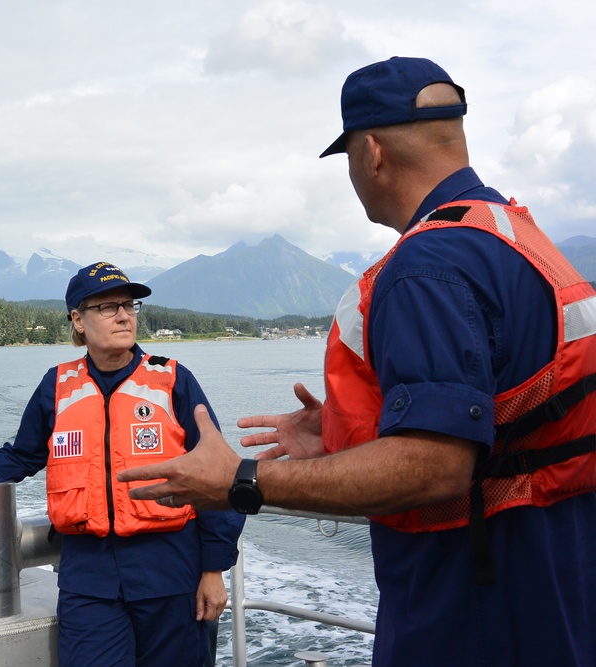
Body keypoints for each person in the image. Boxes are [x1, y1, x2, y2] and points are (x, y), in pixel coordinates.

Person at [119, 57, 596, 666]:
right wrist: (355, 436)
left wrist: (241, 482)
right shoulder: (515, 236)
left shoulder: (426, 269)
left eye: (345, 158)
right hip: (557, 593)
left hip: (470, 614)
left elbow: (434, 468)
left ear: (371, 152)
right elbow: (516, 417)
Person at [0, 261, 244, 667]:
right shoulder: (56, 386)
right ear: (78, 321)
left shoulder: (173, 380)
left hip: (170, 572)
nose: (123, 315)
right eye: (107, 307)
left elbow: (219, 474)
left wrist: (213, 568)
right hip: (88, 579)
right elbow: (24, 453)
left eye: (129, 305)